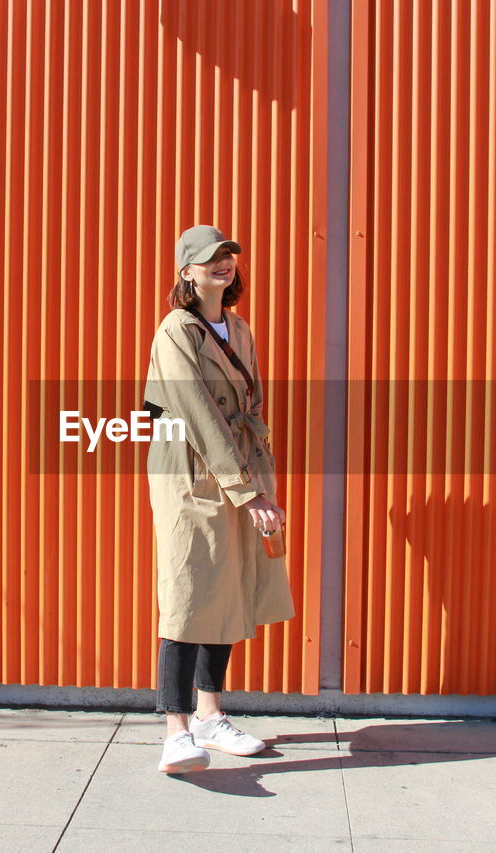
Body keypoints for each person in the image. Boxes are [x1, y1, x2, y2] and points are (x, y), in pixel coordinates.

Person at [141, 224, 296, 774]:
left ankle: (210, 715)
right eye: (210, 259)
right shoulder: (175, 330)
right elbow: (196, 414)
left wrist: (259, 478)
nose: (223, 265)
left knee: (227, 588)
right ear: (186, 271)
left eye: (228, 257)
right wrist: (247, 490)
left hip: (239, 467)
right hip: (190, 475)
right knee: (188, 591)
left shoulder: (238, 327)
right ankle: (175, 730)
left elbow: (248, 404)